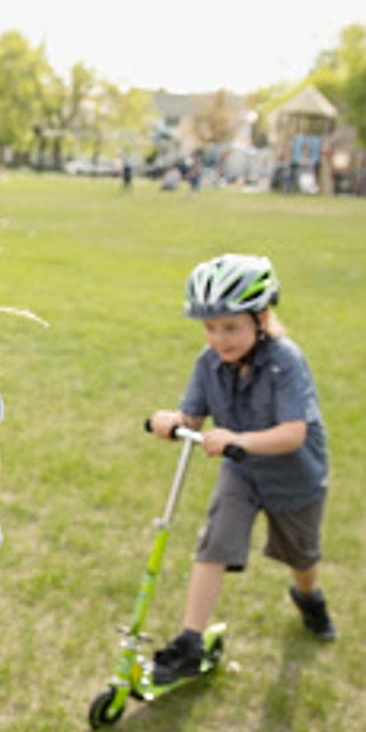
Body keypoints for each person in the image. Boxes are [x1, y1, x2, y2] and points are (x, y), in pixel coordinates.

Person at [146, 253, 334, 685]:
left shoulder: (285, 361)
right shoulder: (208, 362)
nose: (219, 339)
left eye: (231, 327)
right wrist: (174, 423)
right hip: (242, 472)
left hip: (294, 477)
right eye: (211, 328)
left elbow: (293, 433)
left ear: (261, 318)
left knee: (301, 556)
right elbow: (192, 417)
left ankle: (309, 596)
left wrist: (238, 440)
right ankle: (191, 640)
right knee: (214, 542)